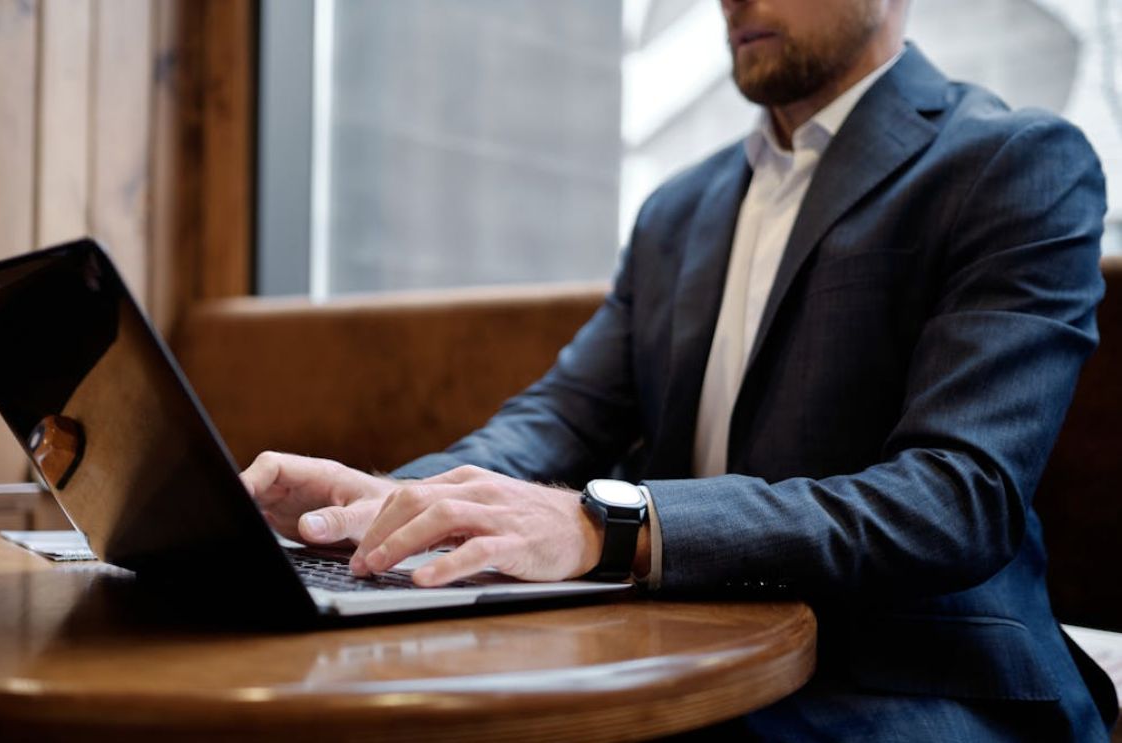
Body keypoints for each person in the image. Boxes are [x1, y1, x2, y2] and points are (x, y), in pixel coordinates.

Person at [241, 0, 1117, 738]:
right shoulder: (678, 208)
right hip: (696, 654)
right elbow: (559, 417)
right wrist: (387, 504)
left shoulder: (1013, 161)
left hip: (931, 677)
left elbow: (957, 497)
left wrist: (606, 526)